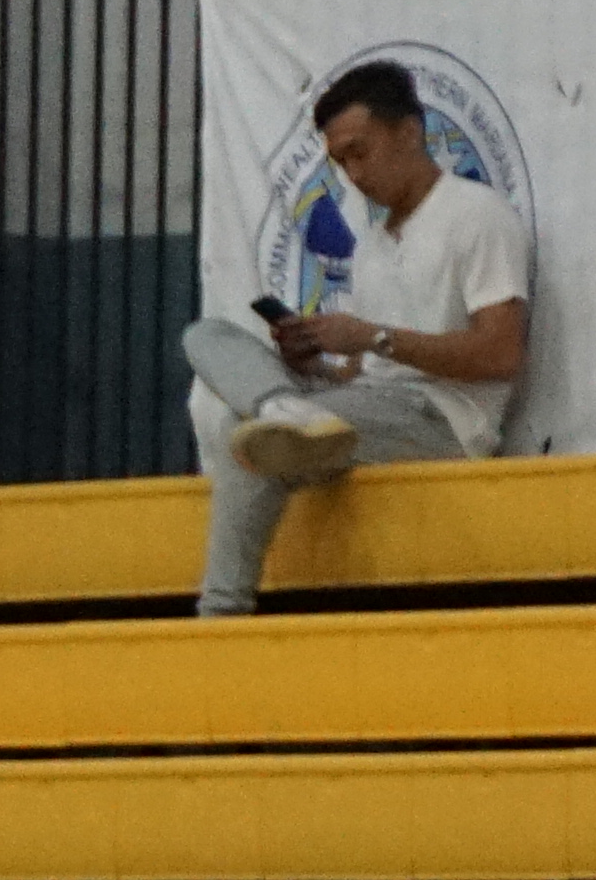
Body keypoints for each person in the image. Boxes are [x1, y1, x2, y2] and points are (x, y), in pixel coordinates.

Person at [186, 58, 529, 618]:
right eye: (340, 161)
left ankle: (220, 614)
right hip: (372, 407)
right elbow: (363, 378)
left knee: (239, 432)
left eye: (359, 151)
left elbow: (501, 352)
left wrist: (372, 336)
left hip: (441, 419)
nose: (352, 173)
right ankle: (283, 403)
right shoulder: (371, 244)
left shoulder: (477, 215)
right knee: (208, 335)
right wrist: (314, 363)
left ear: (410, 132)